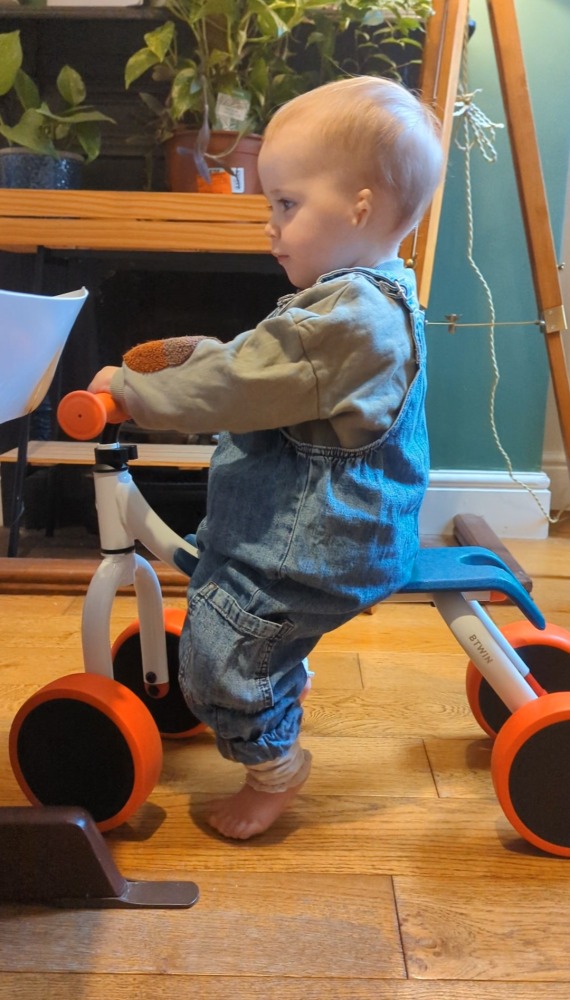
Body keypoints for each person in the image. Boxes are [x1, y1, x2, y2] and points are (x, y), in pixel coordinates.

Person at [87, 75, 443, 840]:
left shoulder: (345, 318)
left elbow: (242, 388)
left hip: (317, 547)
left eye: (287, 204)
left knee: (219, 657)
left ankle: (274, 765)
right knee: (221, 602)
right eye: (269, 205)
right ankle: (275, 669)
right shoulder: (369, 298)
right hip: (328, 531)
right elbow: (270, 374)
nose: (270, 225)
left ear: (361, 206)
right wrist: (209, 360)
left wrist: (132, 390)